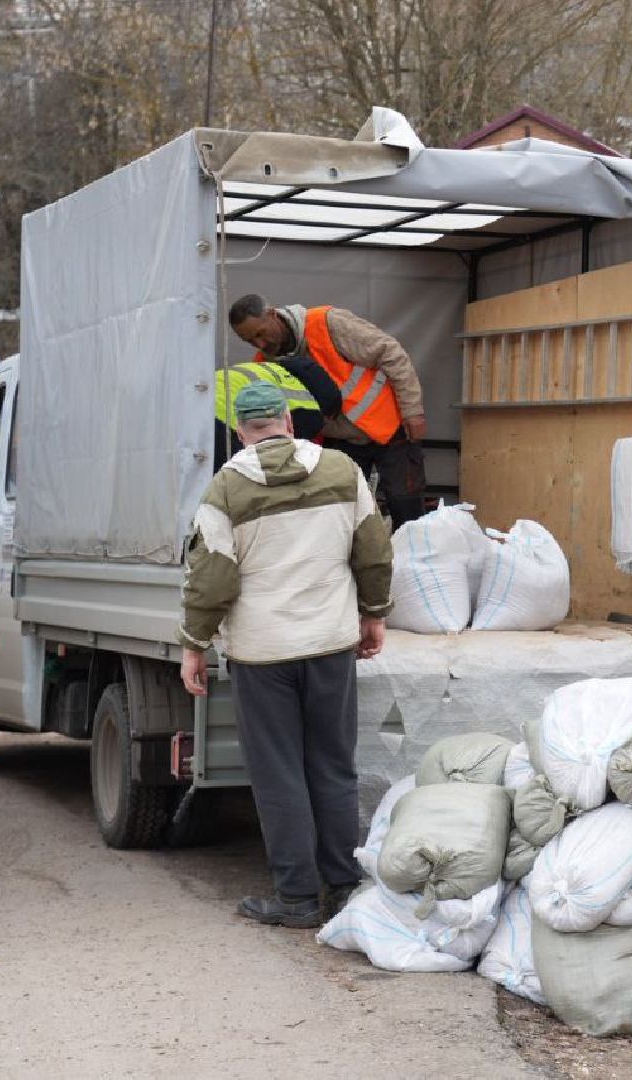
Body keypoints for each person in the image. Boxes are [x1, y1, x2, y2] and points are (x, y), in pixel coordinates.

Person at [177, 381, 393, 928]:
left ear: (241, 432)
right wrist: (373, 614)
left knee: (279, 773)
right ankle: (343, 887)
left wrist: (194, 645)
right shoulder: (342, 471)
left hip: (263, 653)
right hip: (330, 645)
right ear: (288, 422)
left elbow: (212, 579)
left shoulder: (225, 489)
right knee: (333, 767)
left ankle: (297, 897)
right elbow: (373, 549)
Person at [227, 293, 428, 528]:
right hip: (341, 440)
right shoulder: (264, 364)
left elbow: (390, 353)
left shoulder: (326, 322)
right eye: (250, 341)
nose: (260, 344)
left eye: (260, 333)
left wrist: (412, 411)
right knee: (343, 514)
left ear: (273, 314)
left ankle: (414, 550)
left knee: (406, 507)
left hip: (390, 427)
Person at [212, 359, 337, 467]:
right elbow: (282, 457)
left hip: (204, 405)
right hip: (222, 426)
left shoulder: (266, 369)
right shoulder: (309, 409)